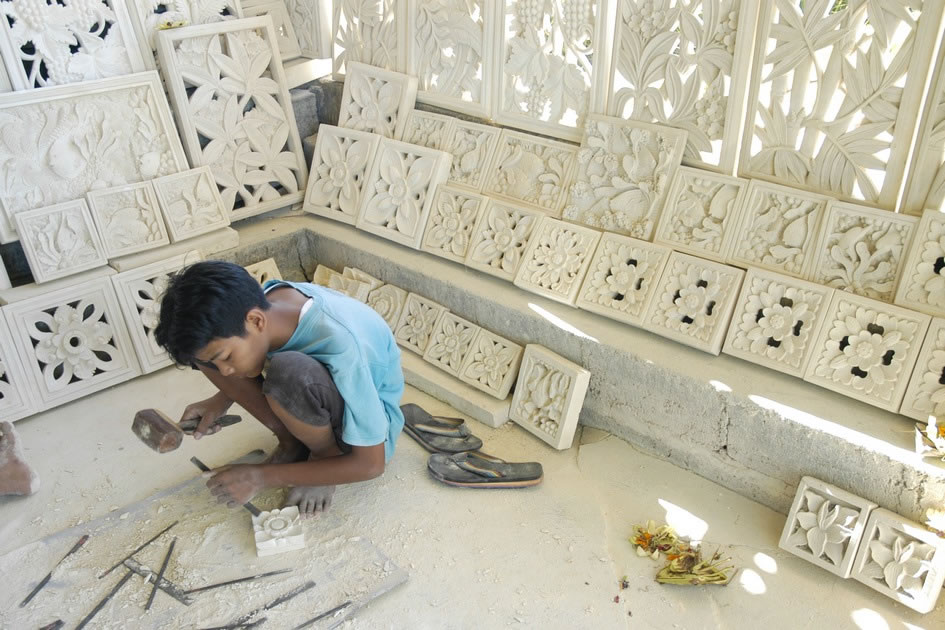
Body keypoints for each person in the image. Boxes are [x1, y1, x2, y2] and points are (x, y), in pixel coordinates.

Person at [153, 260, 405, 514]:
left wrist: (260, 476)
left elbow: (371, 464)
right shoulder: (262, 306)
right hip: (323, 390)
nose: (227, 371)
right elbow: (228, 358)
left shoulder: (341, 346)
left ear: (256, 321)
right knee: (205, 354)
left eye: (228, 358)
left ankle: (325, 459)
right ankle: (292, 445)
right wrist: (221, 400)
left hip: (370, 432)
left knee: (289, 372)